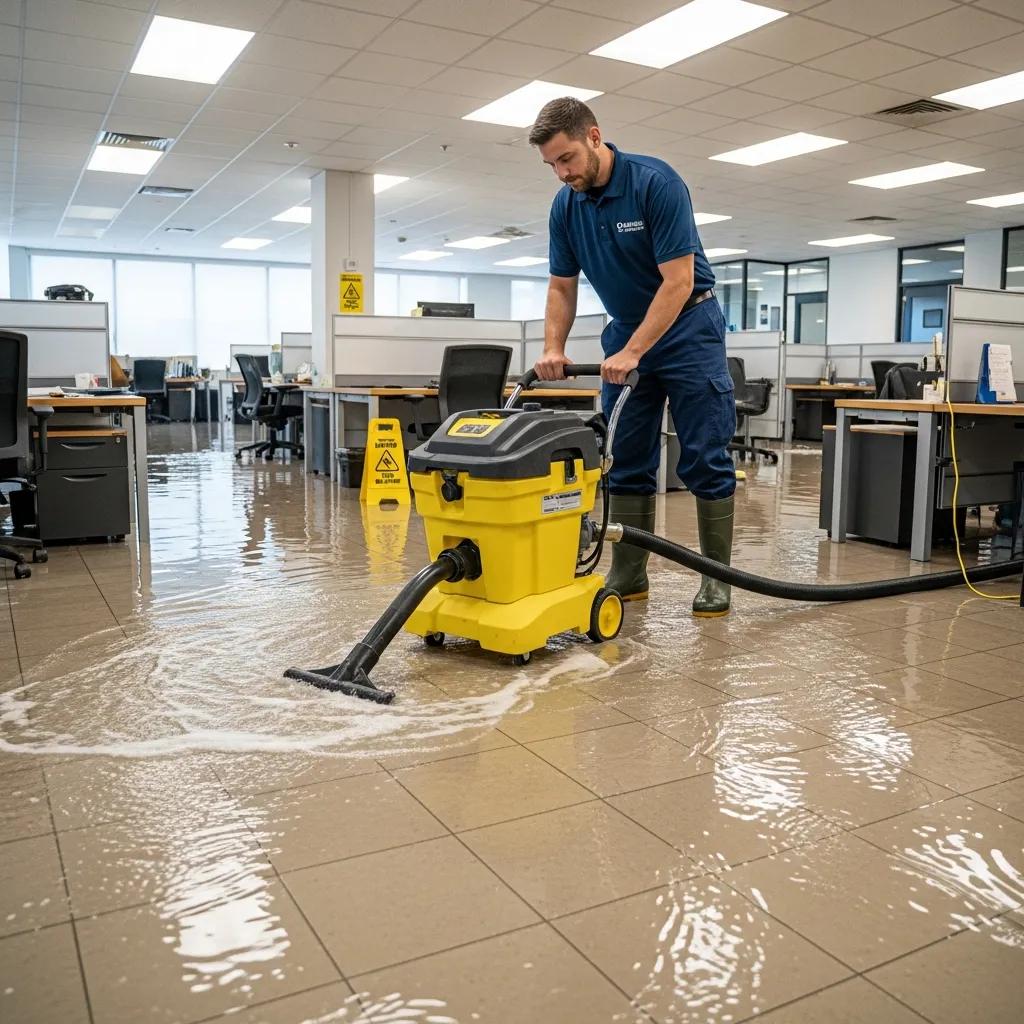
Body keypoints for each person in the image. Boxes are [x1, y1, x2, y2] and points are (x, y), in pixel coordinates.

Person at [529, 97, 736, 617]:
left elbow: (678, 281)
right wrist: (553, 346)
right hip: (624, 332)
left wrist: (635, 351)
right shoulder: (566, 205)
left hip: (689, 326)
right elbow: (561, 286)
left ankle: (718, 579)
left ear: (595, 137)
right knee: (623, 457)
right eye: (552, 165)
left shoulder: (655, 183)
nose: (562, 173)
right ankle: (629, 572)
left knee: (704, 455)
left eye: (568, 158)